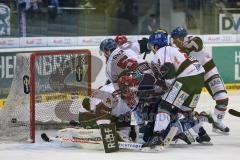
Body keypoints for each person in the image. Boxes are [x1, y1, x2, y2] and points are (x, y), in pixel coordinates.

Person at [142, 30, 209, 149]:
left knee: (165, 105)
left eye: (152, 45)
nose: (152, 49)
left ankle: (157, 136)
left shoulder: (162, 51)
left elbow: (169, 70)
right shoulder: (174, 49)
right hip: (199, 79)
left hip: (186, 79)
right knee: (186, 111)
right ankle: (202, 133)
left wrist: (164, 86)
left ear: (156, 45)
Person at [171, 26, 229, 134]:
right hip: (194, 77)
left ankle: (217, 122)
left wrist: (185, 49)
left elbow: (198, 43)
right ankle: (193, 123)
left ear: (181, 37)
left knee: (222, 98)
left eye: (175, 38)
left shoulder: (190, 40)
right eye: (173, 39)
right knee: (187, 107)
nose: (174, 41)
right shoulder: (175, 49)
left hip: (209, 72)